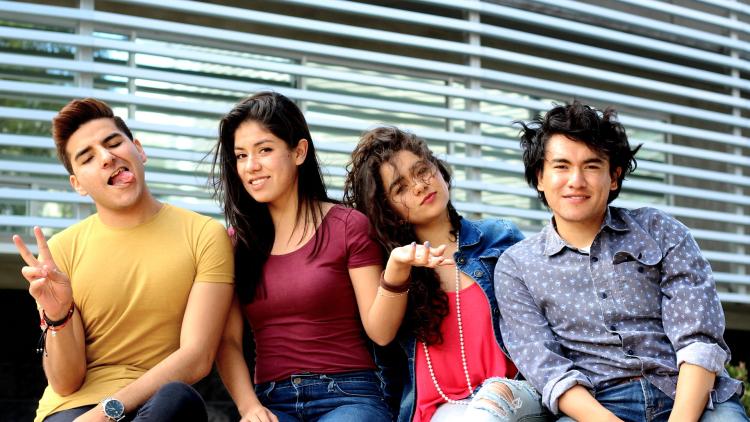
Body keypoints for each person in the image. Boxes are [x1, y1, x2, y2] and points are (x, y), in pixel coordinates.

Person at [495, 101, 749, 422]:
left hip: (688, 395)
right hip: (597, 407)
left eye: (591, 165)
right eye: (561, 166)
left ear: (613, 177)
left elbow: (698, 337)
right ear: (540, 178)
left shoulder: (660, 230)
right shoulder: (517, 266)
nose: (576, 180)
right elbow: (546, 367)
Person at [210, 92, 446, 422]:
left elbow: (380, 331)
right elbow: (228, 341)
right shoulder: (235, 244)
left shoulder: (347, 226)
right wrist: (249, 408)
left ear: (298, 152)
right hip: (270, 401)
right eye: (240, 155)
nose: (251, 166)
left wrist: (396, 272)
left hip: (349, 396)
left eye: (264, 150)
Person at [12, 98, 235, 422]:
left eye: (113, 142)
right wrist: (59, 315)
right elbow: (64, 382)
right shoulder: (59, 252)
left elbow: (197, 358)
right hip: (73, 411)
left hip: (155, 408)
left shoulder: (204, 234)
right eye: (87, 158)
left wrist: (106, 412)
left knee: (177, 398)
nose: (106, 157)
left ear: (139, 150)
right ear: (77, 184)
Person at [343, 126, 547, 422]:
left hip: (513, 395)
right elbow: (381, 334)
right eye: (400, 188)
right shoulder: (392, 266)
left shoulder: (499, 238)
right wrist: (399, 269)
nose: (419, 186)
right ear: (387, 210)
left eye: (422, 170)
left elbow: (546, 316)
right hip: (443, 409)